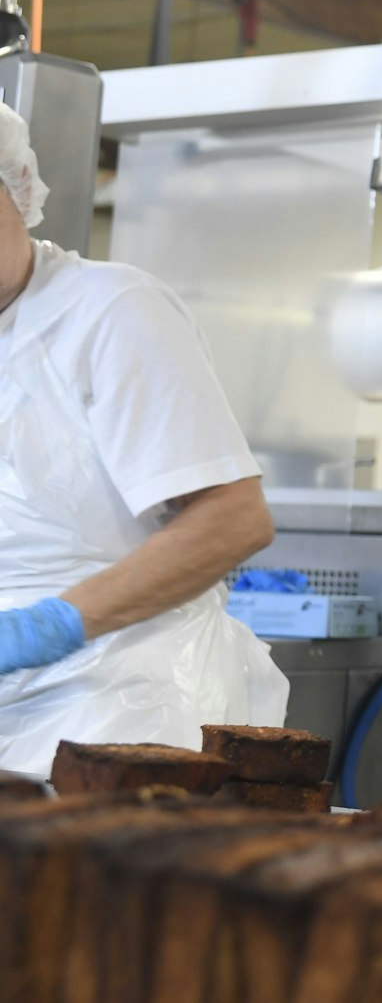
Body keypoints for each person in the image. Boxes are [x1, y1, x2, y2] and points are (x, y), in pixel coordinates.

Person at [0, 102, 288, 777]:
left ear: (15, 189)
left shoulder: (107, 311)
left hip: (124, 714)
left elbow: (233, 519)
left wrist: (43, 627)